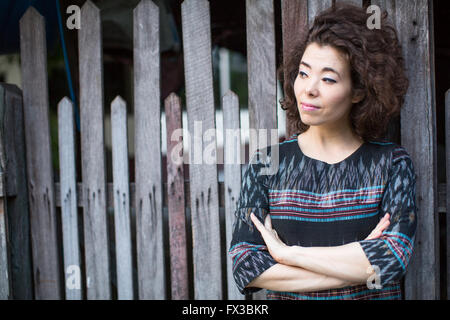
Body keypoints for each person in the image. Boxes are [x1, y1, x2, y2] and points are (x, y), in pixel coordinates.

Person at [228, 3, 417, 300]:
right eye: (303, 74)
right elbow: (245, 265)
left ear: (359, 91)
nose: (309, 89)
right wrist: (355, 261)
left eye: (328, 79)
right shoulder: (267, 164)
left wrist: (286, 254)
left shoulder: (391, 164)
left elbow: (392, 260)